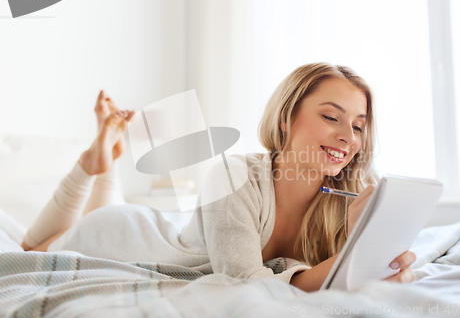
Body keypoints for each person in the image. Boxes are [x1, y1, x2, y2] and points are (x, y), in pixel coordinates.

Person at [21, 63, 416, 293]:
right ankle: (93, 164)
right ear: (285, 117)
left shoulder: (348, 198)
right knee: (31, 249)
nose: (348, 136)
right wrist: (354, 261)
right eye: (331, 117)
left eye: (359, 126)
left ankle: (104, 163)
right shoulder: (235, 174)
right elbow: (245, 281)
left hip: (157, 228)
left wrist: (385, 263)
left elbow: (344, 276)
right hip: (123, 235)